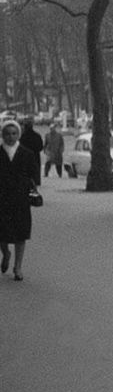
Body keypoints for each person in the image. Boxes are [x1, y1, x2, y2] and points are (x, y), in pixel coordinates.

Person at [0, 120, 37, 281]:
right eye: (7, 134)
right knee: (1, 233)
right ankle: (6, 253)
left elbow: (33, 174)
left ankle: (18, 267)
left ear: (18, 135)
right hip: (1, 197)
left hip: (20, 198)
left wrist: (27, 186)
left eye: (14, 133)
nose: (10, 137)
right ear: (2, 135)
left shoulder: (27, 153)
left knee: (21, 233)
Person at [20, 116, 43, 186]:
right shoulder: (37, 136)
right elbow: (40, 147)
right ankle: (35, 182)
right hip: (35, 156)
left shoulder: (22, 136)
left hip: (24, 158)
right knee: (35, 171)